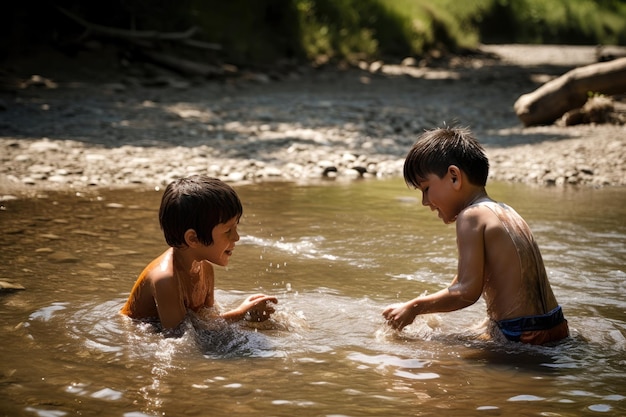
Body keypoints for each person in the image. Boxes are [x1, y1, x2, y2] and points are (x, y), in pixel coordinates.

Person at [382, 126, 569, 345]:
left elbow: (466, 292)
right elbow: (462, 283)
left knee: (424, 352)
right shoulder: (504, 211)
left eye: (425, 189)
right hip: (555, 324)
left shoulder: (470, 216)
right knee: (460, 334)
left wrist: (414, 307)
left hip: (519, 334)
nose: (424, 202)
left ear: (454, 177)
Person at [120, 175, 277, 337]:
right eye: (228, 231)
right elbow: (180, 336)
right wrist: (239, 314)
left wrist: (248, 316)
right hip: (135, 335)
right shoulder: (165, 279)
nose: (236, 237)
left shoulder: (205, 268)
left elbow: (208, 319)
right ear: (193, 238)